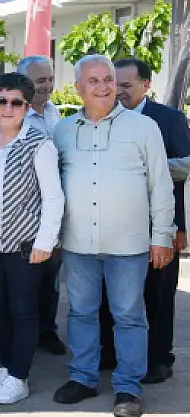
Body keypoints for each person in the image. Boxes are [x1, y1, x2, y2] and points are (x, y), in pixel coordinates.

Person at [51, 55, 175, 417]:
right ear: (77, 88)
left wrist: (162, 237)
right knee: (80, 313)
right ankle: (83, 378)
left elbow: (161, 186)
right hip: (77, 243)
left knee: (129, 315)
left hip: (129, 243)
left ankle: (128, 388)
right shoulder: (63, 130)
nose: (104, 86)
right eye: (93, 80)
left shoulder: (143, 127)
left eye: (108, 79)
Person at [0, 73, 64, 405]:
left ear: (26, 106)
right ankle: (8, 366)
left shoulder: (39, 144)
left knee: (23, 310)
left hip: (23, 243)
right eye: (1, 100)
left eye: (15, 102)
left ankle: (19, 376)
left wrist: (44, 244)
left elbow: (53, 199)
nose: (7, 107)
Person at [111, 58, 190, 385]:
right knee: (115, 296)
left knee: (158, 295)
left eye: (126, 85)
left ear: (146, 85)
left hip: (160, 225)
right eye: (116, 85)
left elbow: (185, 166)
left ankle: (159, 358)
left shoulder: (168, 118)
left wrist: (142, 169)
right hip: (115, 225)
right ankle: (113, 355)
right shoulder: (106, 117)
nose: (118, 92)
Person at [16, 54, 66, 356]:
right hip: (22, 209)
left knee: (51, 276)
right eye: (40, 81)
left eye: (50, 79)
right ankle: (21, 336)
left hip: (53, 208)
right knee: (24, 279)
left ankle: (47, 332)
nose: (47, 86)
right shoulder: (15, 114)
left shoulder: (54, 112)